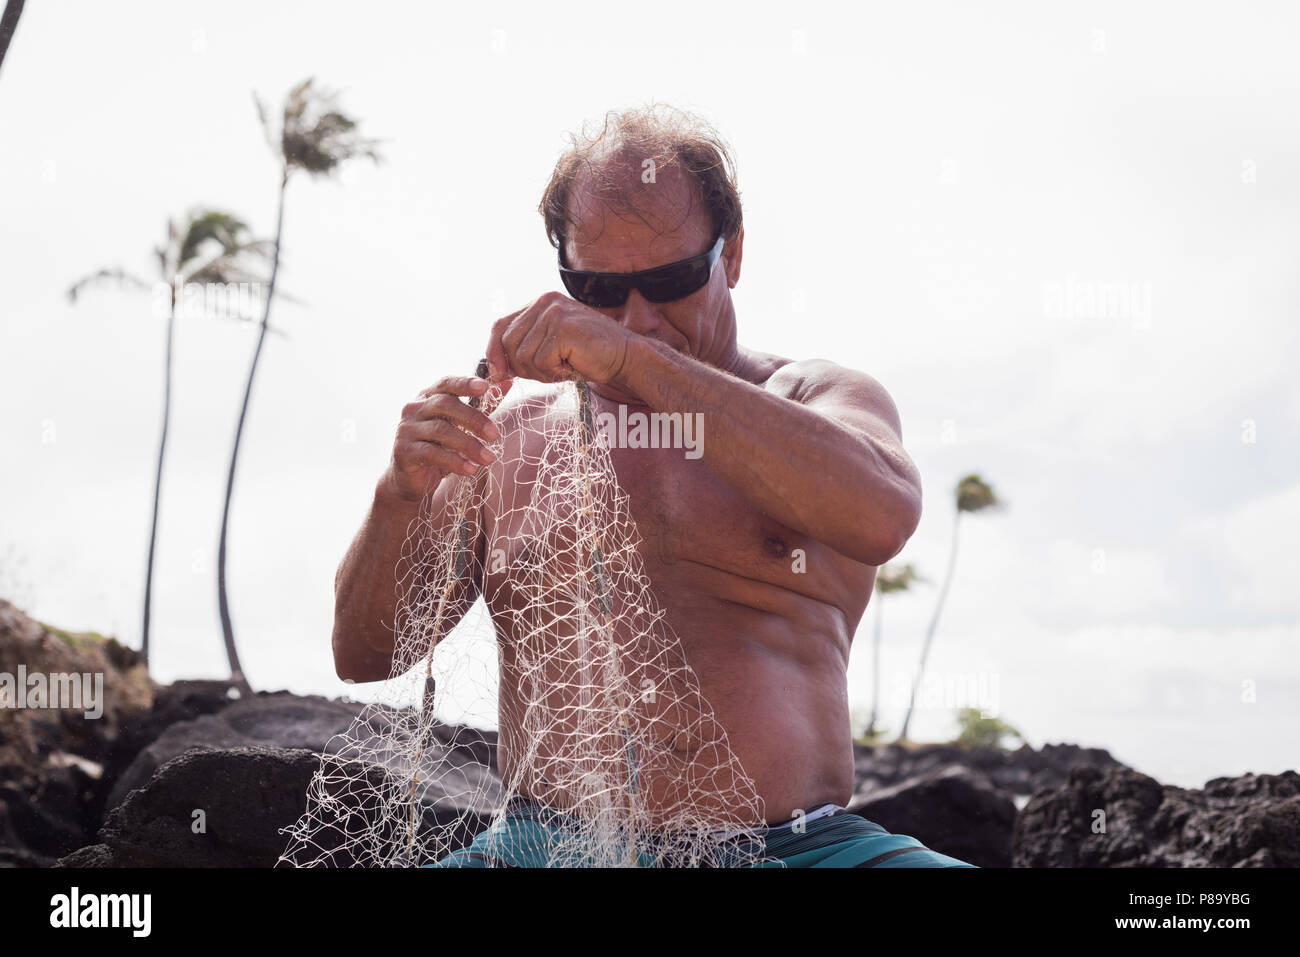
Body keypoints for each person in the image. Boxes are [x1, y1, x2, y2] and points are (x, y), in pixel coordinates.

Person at [331, 105, 975, 868]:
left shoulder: (811, 399)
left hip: (798, 850)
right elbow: (365, 654)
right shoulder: (510, 439)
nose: (636, 318)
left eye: (670, 280)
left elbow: (882, 514)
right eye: (598, 288)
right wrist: (398, 495)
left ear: (730, 256)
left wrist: (628, 361)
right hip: (541, 849)